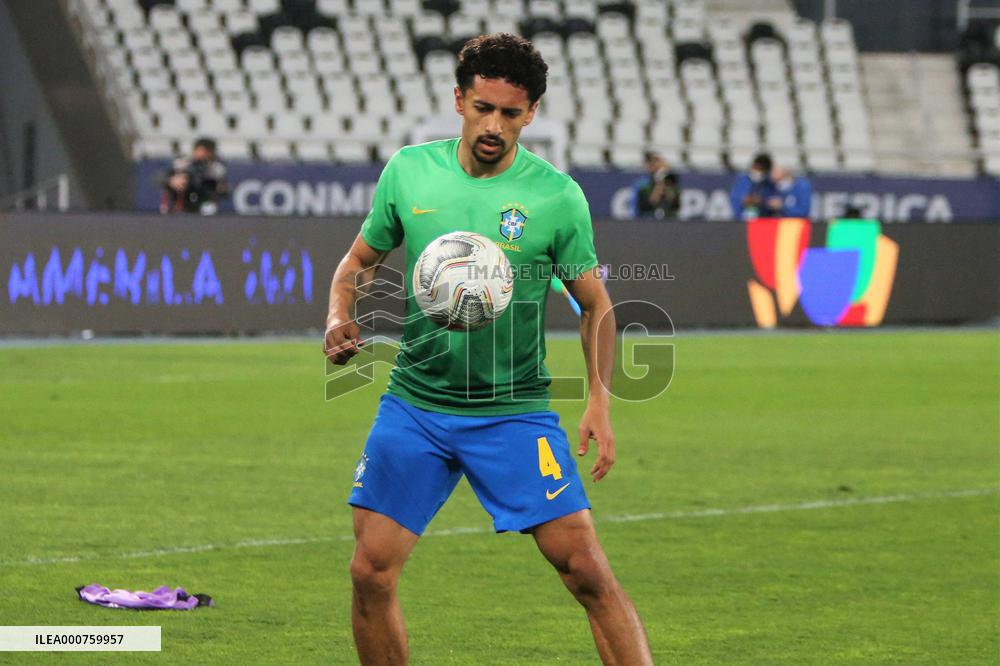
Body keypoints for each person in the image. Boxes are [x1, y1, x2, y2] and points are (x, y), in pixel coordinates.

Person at [323, 33, 653, 665]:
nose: (493, 125)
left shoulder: (556, 197)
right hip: (415, 406)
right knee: (370, 572)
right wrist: (340, 314)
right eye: (482, 108)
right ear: (459, 101)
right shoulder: (409, 172)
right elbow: (360, 261)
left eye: (509, 112)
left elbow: (597, 305)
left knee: (585, 568)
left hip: (513, 412)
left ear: (530, 114)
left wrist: (599, 403)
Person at [160, 137, 228, 214]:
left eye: (207, 151)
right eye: (202, 150)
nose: (203, 154)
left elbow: (226, 190)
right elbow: (158, 178)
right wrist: (171, 180)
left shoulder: (216, 168)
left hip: (204, 204)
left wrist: (219, 187)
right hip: (182, 203)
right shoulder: (182, 163)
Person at [631, 151, 680, 219]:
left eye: (655, 162)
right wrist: (660, 181)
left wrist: (663, 176)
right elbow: (651, 201)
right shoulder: (642, 182)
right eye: (651, 162)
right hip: (646, 218)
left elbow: (675, 203)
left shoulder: (669, 179)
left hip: (668, 219)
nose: (653, 165)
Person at [729, 152, 779, 220]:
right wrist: (749, 201)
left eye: (761, 170)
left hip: (763, 221)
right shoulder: (742, 180)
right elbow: (737, 200)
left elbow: (773, 202)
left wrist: (763, 201)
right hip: (741, 221)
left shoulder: (770, 184)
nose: (757, 172)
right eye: (756, 168)